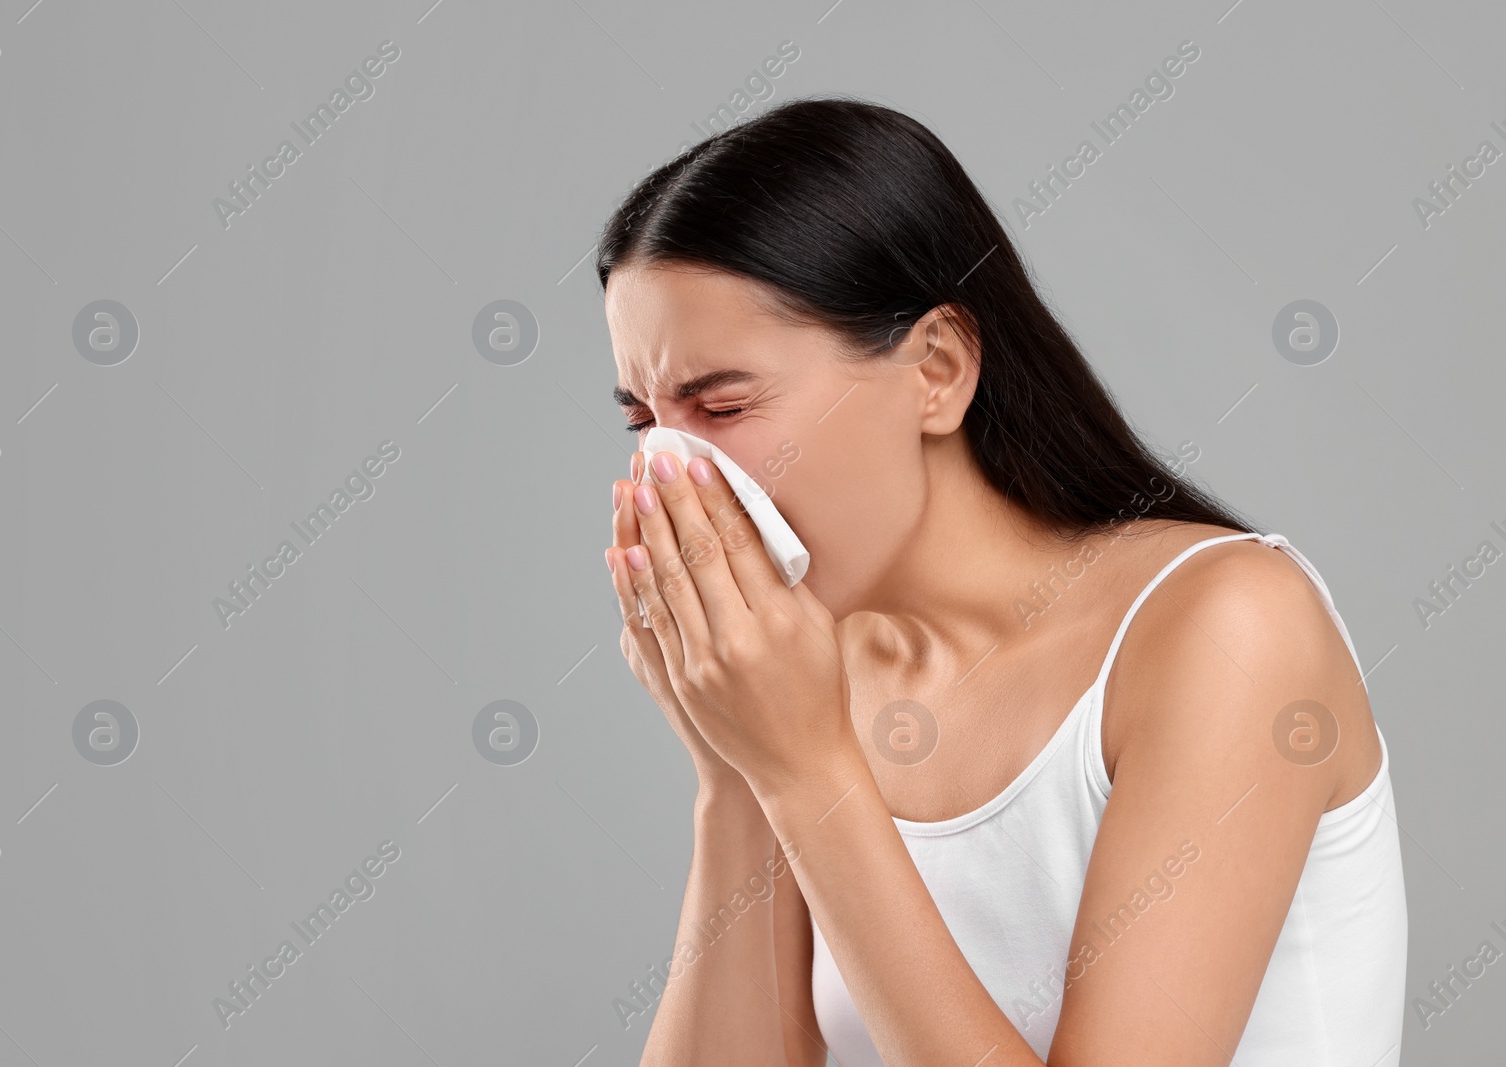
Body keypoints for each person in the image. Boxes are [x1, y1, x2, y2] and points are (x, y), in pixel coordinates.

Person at [597, 96, 1406, 1066]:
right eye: (644, 420)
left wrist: (804, 769)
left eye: (721, 404)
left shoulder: (1229, 628)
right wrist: (731, 766)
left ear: (935, 368)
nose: (672, 474)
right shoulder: (808, 679)